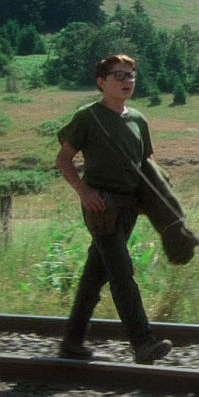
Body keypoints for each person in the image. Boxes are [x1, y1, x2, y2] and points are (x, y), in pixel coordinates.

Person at [55, 54, 172, 365]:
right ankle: (143, 343)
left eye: (131, 75)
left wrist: (155, 200)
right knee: (122, 273)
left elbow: (147, 165)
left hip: (129, 205)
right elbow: (63, 160)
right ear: (101, 82)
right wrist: (83, 192)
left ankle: (72, 341)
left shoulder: (138, 120)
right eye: (119, 75)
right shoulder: (87, 117)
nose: (127, 81)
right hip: (100, 206)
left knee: (96, 274)